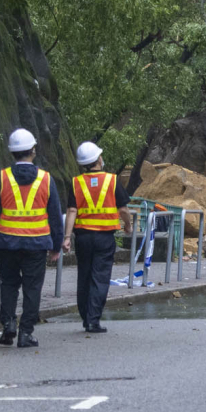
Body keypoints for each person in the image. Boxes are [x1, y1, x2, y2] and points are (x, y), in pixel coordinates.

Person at [0, 128, 63, 348]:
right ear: (33, 150)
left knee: (8, 285)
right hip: (37, 244)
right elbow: (55, 216)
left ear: (12, 153)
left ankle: (8, 324)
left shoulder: (2, 178)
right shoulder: (46, 179)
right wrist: (57, 246)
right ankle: (26, 333)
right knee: (32, 288)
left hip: (7, 243)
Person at [62, 141, 132, 334]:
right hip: (104, 238)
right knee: (100, 277)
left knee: (84, 276)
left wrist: (67, 237)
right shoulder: (112, 180)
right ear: (99, 159)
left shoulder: (77, 183)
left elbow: (71, 210)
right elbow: (124, 209)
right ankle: (93, 320)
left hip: (83, 237)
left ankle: (86, 317)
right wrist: (128, 225)